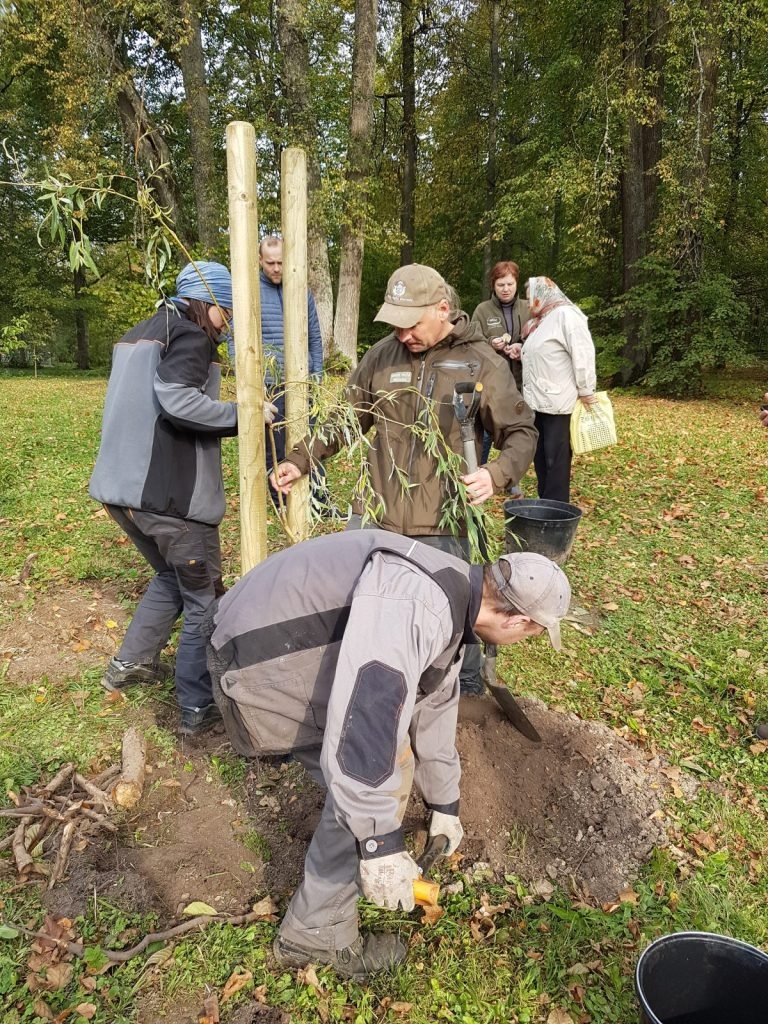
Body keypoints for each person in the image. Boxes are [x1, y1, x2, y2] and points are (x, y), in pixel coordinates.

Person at [205, 529, 571, 979]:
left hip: (270, 639)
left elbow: (432, 701)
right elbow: (369, 714)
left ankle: (333, 884)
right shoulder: (418, 605)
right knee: (377, 776)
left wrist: (444, 803)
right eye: (533, 634)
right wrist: (377, 842)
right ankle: (314, 936)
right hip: (252, 657)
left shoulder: (458, 591)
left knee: (383, 772)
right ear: (517, 621)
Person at [270, 263, 538, 694]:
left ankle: (459, 693)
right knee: (359, 608)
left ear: (442, 310)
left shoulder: (481, 362)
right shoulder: (381, 356)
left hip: (442, 524)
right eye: (394, 325)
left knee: (449, 616)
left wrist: (496, 473)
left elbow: (522, 433)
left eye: (409, 324)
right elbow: (346, 419)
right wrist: (301, 459)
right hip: (376, 518)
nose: (401, 335)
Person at [89, 261, 275, 737]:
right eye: (226, 308)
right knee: (203, 599)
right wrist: (246, 414)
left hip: (122, 494)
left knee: (170, 578)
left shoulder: (146, 329)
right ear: (206, 301)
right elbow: (176, 399)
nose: (229, 317)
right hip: (169, 499)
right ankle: (196, 706)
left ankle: (130, 663)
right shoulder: (191, 336)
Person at [255, 235, 332, 512]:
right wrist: (254, 384)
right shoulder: (251, 292)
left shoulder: (301, 290)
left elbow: (315, 336)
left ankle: (319, 501)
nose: (276, 269)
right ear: (260, 260)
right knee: (274, 444)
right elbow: (238, 340)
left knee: (311, 442)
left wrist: (317, 375)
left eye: (281, 263)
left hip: (302, 381)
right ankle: (279, 500)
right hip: (270, 384)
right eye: (271, 263)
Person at [508, 277, 596, 504]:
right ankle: (544, 502)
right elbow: (541, 350)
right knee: (540, 457)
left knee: (555, 460)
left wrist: (587, 390)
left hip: (559, 403)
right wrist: (521, 349)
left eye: (530, 297)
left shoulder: (567, 315)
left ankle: (556, 507)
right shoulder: (542, 320)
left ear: (543, 294)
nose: (529, 303)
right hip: (537, 402)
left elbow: (583, 353)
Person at [471, 261, 532, 484]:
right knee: (488, 430)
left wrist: (522, 348)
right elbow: (472, 341)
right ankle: (479, 475)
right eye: (500, 284)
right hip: (492, 381)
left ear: (516, 283)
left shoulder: (528, 308)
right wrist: (490, 342)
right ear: (493, 286)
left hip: (522, 380)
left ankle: (511, 480)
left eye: (509, 283)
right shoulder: (482, 310)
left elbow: (538, 337)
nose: (505, 289)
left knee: (517, 430)